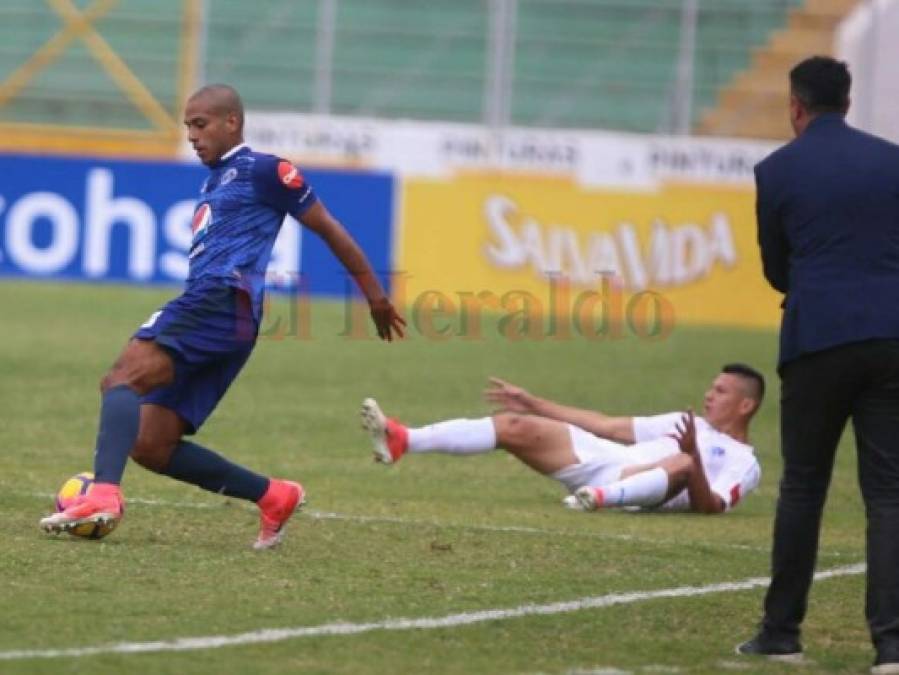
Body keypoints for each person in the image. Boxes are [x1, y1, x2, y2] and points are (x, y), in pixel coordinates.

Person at [39, 84, 405, 549]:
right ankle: (274, 496)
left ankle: (103, 495)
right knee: (152, 444)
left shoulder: (267, 169)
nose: (192, 135)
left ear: (232, 122)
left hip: (221, 300)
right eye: (188, 126)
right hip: (227, 316)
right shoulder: (215, 179)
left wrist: (374, 296)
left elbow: (328, 227)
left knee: (121, 380)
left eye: (201, 124)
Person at [736, 56, 899, 673]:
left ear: (795, 106)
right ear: (849, 104)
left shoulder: (777, 169)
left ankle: (782, 632)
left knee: (804, 485)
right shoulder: (893, 161)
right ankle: (892, 645)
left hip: (817, 337)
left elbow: (775, 266)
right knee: (888, 492)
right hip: (892, 337)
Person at [360, 364, 764, 514]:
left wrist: (690, 453)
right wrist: (533, 403)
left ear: (746, 406)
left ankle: (601, 498)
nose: (709, 395)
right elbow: (605, 426)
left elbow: (711, 506)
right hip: (611, 459)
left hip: (648, 487)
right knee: (514, 425)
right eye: (711, 387)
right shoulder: (685, 420)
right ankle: (402, 439)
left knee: (683, 463)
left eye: (722, 391)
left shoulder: (745, 462)